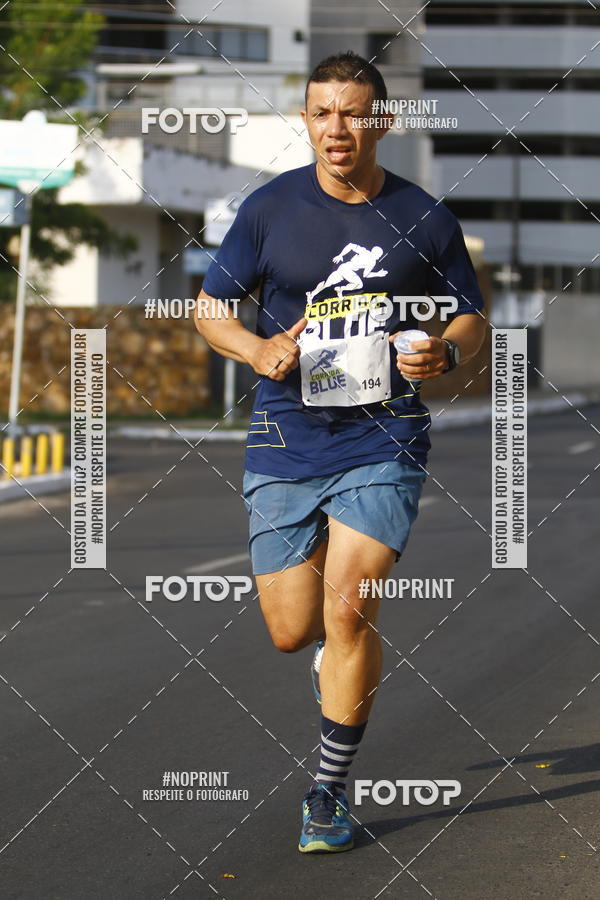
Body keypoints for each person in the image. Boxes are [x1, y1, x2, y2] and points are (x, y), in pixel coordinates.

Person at [194, 51, 486, 854]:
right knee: (293, 632)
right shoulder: (268, 209)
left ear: (381, 121)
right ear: (307, 120)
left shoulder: (424, 218)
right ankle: (329, 634)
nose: (338, 128)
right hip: (286, 436)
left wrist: (447, 356)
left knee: (351, 604)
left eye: (354, 112)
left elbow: (473, 321)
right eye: (323, 112)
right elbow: (211, 307)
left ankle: (326, 794)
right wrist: (255, 352)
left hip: (382, 433)